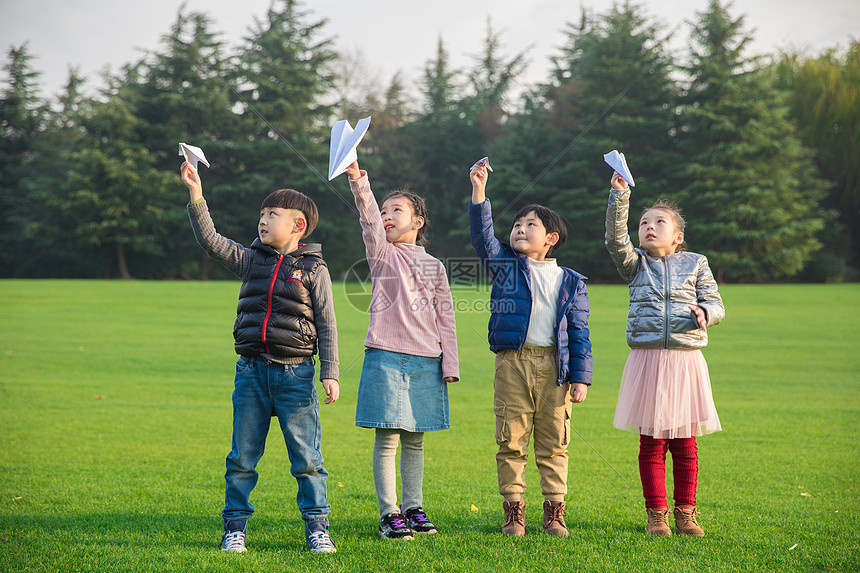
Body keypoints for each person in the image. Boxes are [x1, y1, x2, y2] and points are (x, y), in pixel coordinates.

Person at [180, 161, 340, 554]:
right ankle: (235, 528)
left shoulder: (314, 268)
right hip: (250, 374)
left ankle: (317, 528)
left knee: (307, 460)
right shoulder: (251, 259)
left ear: (298, 225)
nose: (262, 221)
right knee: (242, 459)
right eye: (262, 214)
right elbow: (211, 240)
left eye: (272, 215)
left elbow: (328, 323)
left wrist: (330, 372)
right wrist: (196, 193)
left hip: (296, 377)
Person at [468, 159, 593, 537]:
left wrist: (580, 378)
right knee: (511, 439)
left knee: (555, 443)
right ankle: (513, 511)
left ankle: (554, 512)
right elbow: (482, 238)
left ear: (550, 238)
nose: (520, 229)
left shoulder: (571, 281)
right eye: (517, 225)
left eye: (530, 225)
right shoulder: (505, 265)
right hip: (512, 364)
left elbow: (580, 333)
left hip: (555, 367)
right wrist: (479, 191)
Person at [341, 160, 459, 541]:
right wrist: (359, 179)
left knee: (416, 438)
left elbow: (446, 318)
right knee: (388, 438)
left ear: (418, 221)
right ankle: (389, 514)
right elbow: (369, 222)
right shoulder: (383, 255)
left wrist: (449, 363)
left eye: (397, 210)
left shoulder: (435, 266)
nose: (387, 217)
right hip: (386, 357)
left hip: (427, 360)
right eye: (385, 210)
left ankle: (413, 507)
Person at [604, 170, 724, 537]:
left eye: (659, 222)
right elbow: (615, 240)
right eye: (644, 223)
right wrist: (619, 198)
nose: (649, 227)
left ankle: (686, 513)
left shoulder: (696, 263)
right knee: (651, 444)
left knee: (685, 444)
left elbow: (715, 302)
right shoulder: (635, 264)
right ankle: (657, 514)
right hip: (648, 362)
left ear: (678, 237)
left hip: (686, 363)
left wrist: (707, 314)